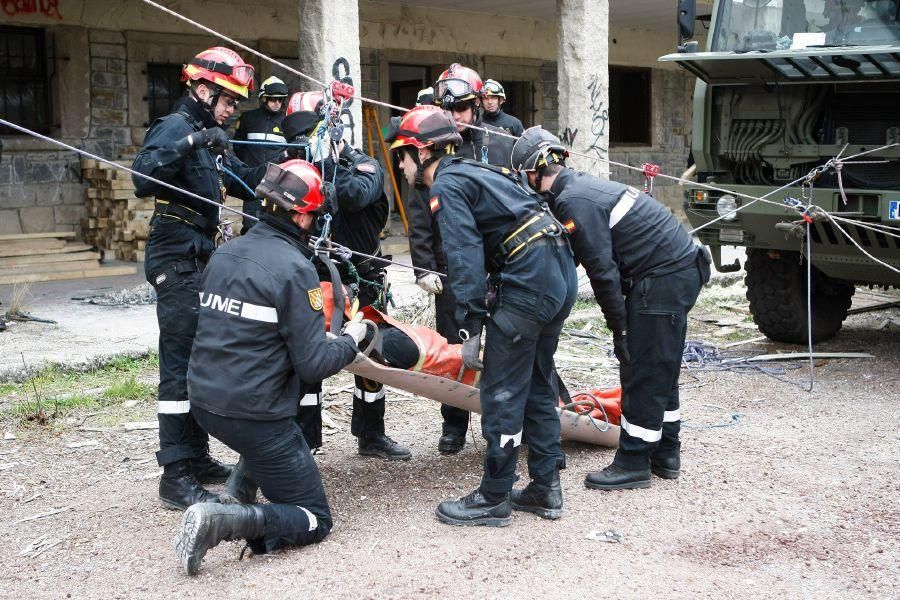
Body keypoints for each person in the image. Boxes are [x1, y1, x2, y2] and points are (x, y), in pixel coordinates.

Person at [175, 159, 367, 576]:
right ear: (301, 215)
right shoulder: (295, 269)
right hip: (254, 415)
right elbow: (314, 364)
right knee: (315, 517)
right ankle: (222, 521)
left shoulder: (225, 254)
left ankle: (236, 491)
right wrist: (354, 339)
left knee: (273, 416)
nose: (315, 224)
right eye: (314, 217)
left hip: (207, 402)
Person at [391, 105, 578, 526]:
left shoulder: (448, 185)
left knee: (502, 390)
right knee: (535, 379)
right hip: (556, 271)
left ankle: (494, 497)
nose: (399, 164)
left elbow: (463, 257)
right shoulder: (477, 170)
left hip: (529, 279)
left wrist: (470, 326)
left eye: (402, 154)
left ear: (423, 153)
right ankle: (545, 487)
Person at [511, 126, 711, 490]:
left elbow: (602, 272)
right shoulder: (578, 188)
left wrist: (619, 329)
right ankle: (666, 453)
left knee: (642, 367)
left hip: (663, 277)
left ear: (532, 172)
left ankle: (633, 461)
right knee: (660, 364)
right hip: (678, 269)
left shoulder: (572, 201)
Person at [132, 46, 267, 510]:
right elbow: (142, 176)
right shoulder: (178, 128)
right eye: (228, 100)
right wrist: (194, 142)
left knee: (195, 359)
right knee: (178, 365)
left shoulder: (206, 135)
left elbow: (243, 177)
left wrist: (284, 174)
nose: (231, 111)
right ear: (202, 88)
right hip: (175, 254)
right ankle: (174, 474)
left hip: (198, 254)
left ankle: (197, 456)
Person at [280, 90, 412, 460]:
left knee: (371, 358)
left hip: (361, 279)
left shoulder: (363, 166)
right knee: (304, 360)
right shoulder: (296, 165)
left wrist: (324, 169)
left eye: (306, 137)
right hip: (313, 277)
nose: (300, 147)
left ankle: (371, 434)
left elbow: (355, 195)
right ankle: (304, 441)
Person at [232, 76, 289, 229]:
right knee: (250, 225)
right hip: (252, 182)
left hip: (276, 185)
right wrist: (249, 168)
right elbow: (238, 146)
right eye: (273, 99)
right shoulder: (248, 118)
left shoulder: (287, 123)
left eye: (281, 99)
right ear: (263, 98)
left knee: (277, 226)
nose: (277, 103)